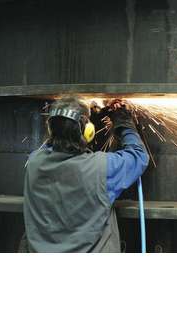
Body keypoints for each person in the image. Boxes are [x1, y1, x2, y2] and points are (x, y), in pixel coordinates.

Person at [23, 96, 149, 253]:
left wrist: (82, 125)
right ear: (88, 131)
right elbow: (138, 155)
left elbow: (51, 146)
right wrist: (124, 122)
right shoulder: (102, 168)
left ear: (50, 129)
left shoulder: (34, 162)